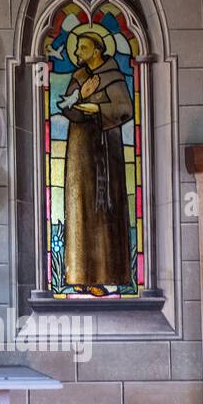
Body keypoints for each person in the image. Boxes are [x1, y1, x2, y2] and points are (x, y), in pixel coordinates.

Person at [56, 24, 134, 296]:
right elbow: (66, 106)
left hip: (105, 150)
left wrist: (98, 108)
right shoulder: (79, 75)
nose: (77, 51)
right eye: (76, 47)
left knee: (105, 210)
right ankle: (78, 276)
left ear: (97, 50)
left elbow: (125, 108)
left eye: (83, 47)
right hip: (79, 148)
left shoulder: (112, 75)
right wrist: (75, 107)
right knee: (79, 207)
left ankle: (106, 276)